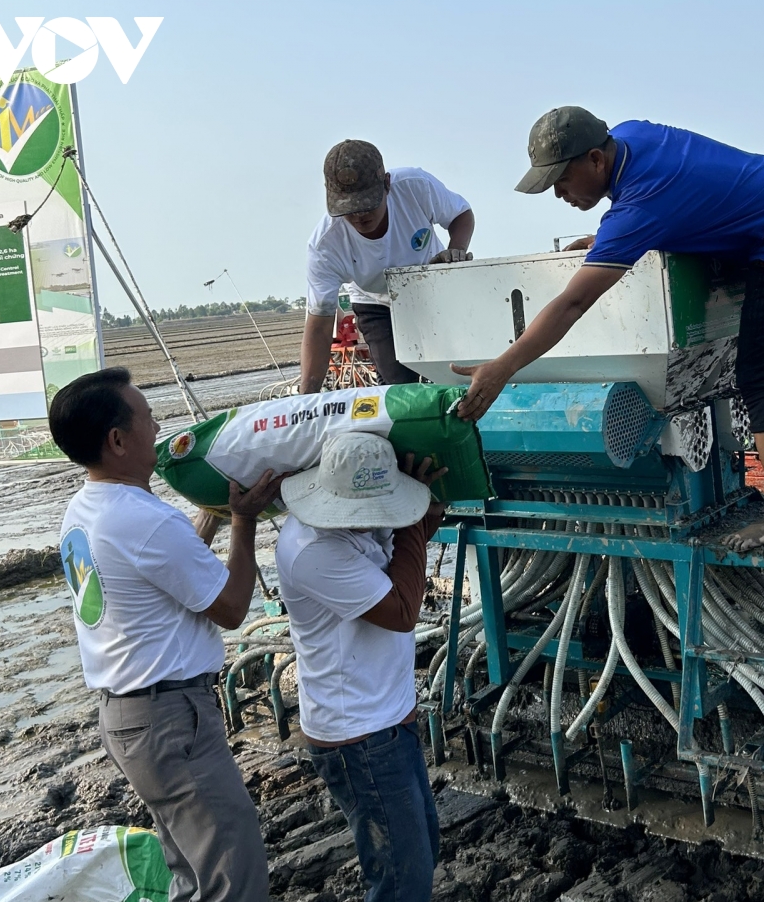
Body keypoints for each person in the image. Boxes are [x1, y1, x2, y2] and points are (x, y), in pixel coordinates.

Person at [452, 107, 764, 550]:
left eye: (560, 180)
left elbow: (574, 302)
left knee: (759, 377)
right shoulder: (630, 135)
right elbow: (687, 194)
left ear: (595, 158)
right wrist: (611, 235)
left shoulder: (639, 208)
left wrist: (502, 368)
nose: (559, 194)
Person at [50, 367, 281, 902]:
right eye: (147, 417)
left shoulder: (85, 507)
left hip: (127, 719)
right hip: (170, 719)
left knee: (191, 871)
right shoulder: (143, 519)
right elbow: (229, 608)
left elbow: (165, 570)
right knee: (232, 870)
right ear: (117, 440)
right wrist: (244, 522)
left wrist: (212, 517)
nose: (157, 428)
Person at [275, 431, 447, 902]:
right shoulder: (313, 549)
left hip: (387, 721)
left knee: (421, 853)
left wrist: (424, 513)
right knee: (400, 880)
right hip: (361, 739)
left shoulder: (353, 519)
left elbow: (396, 558)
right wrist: (415, 518)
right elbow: (402, 609)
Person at [300, 139, 476, 391]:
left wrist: (455, 251)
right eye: (350, 209)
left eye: (367, 204)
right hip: (375, 302)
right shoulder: (325, 247)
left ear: (387, 184)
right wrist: (306, 400)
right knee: (398, 386)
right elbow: (319, 327)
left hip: (432, 288)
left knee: (451, 374)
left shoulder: (417, 187)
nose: (360, 216)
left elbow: (462, 214)